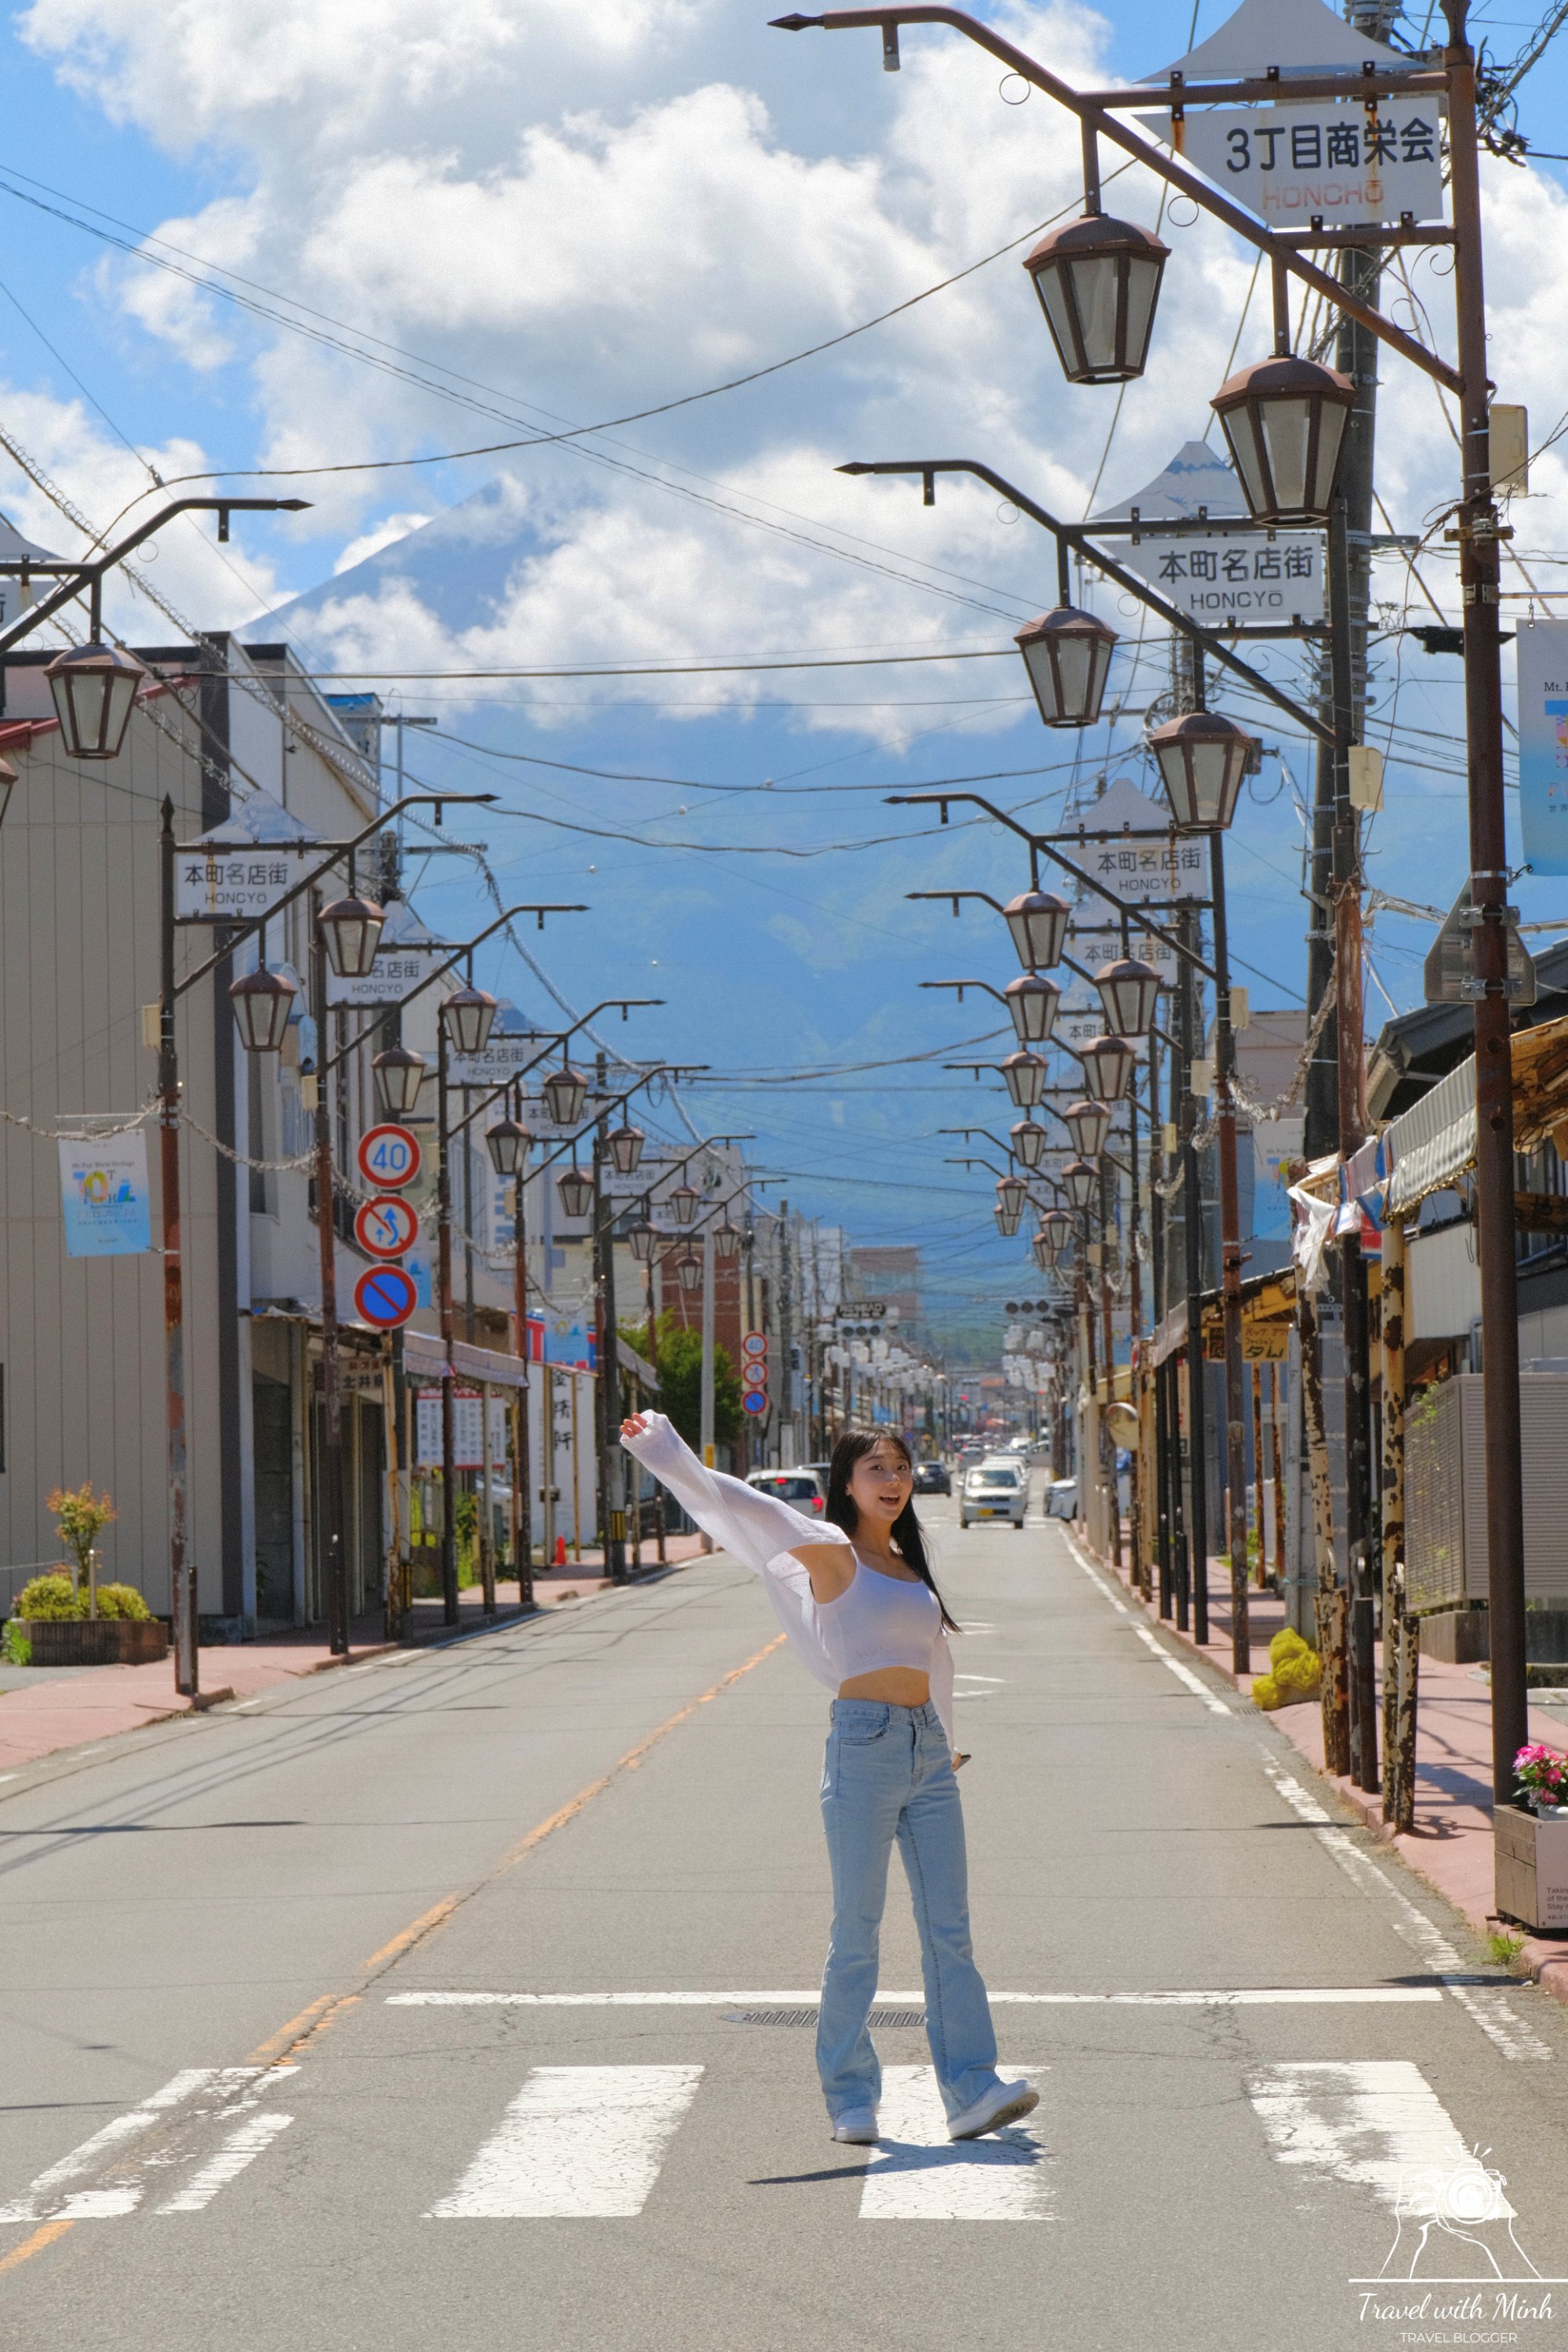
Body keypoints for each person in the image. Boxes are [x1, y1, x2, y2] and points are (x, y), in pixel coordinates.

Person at [620, 1410, 1038, 2149]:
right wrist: (661, 1447)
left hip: (925, 1754)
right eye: (877, 1469)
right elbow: (738, 1504)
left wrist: (949, 1746)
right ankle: (851, 2095)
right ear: (845, 1484)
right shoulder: (829, 1554)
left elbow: (934, 1664)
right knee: (858, 1932)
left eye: (902, 1468)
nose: (895, 1481)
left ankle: (972, 2088)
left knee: (951, 1931)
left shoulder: (910, 1569)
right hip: (863, 1748)